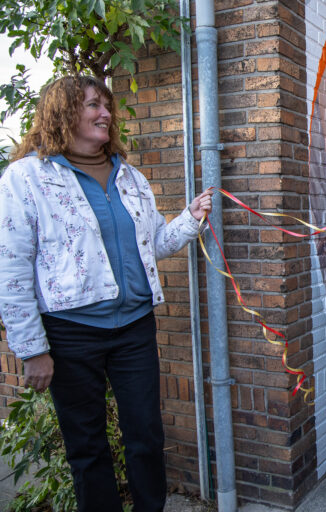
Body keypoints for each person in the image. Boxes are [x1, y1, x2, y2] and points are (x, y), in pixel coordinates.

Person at [0, 75, 213, 512]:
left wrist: (190, 219)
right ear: (62, 113)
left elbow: (152, 244)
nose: (105, 113)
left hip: (134, 329)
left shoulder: (130, 177)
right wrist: (32, 348)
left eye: (106, 106)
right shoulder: (26, 178)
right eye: (93, 105)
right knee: (87, 446)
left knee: (147, 438)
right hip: (71, 334)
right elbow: (12, 266)